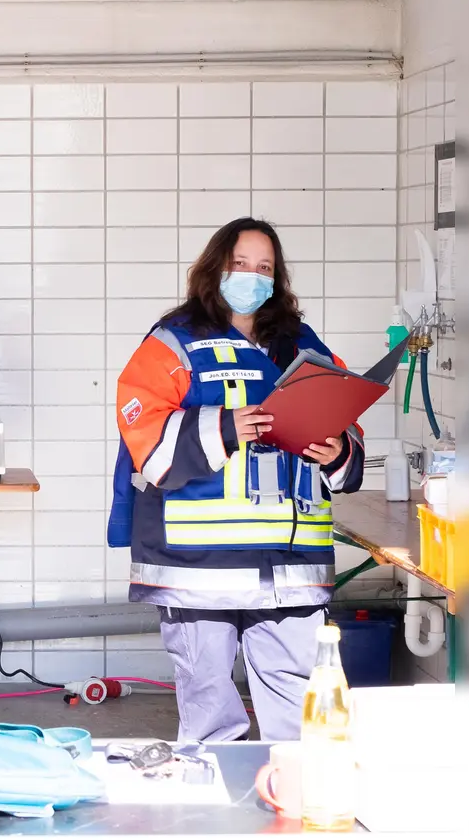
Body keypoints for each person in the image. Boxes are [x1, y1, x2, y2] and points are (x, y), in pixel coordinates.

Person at [106, 217, 366, 743]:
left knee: (299, 712)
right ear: (215, 269)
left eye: (264, 267)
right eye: (240, 265)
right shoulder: (174, 342)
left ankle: (296, 808)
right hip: (200, 566)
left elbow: (346, 420)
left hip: (290, 567)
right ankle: (211, 817)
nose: (253, 275)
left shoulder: (303, 345)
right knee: (207, 708)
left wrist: (337, 448)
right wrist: (227, 425)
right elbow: (142, 431)